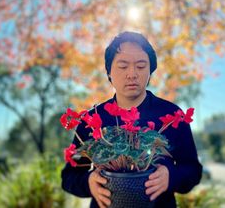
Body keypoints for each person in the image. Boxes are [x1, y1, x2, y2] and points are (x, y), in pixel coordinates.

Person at [61, 31, 202, 208]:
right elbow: (68, 177)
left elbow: (193, 171)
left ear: (150, 71)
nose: (132, 74)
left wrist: (171, 176)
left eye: (141, 66)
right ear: (109, 72)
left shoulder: (172, 114)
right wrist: (88, 182)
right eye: (122, 66)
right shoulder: (92, 118)